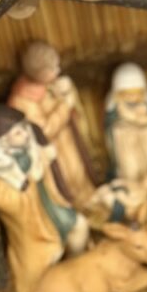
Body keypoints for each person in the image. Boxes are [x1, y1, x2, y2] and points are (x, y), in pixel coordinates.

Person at [0, 104, 89, 292]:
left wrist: (44, 158)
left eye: (23, 129)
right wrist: (22, 185)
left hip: (49, 206)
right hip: (32, 230)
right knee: (41, 264)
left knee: (79, 226)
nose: (25, 135)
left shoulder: (32, 149)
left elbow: (45, 169)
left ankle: (76, 268)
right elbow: (4, 202)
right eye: (18, 133)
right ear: (4, 140)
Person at [8, 40, 98, 209]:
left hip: (67, 139)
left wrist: (67, 91)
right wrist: (65, 104)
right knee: (65, 179)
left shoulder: (48, 84)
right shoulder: (23, 100)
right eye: (52, 69)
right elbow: (44, 132)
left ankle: (89, 200)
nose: (57, 71)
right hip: (51, 151)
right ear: (37, 72)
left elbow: (66, 104)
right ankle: (76, 208)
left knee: (79, 171)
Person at [104, 63, 147, 196]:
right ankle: (135, 186)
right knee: (130, 163)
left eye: (136, 93)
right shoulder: (114, 105)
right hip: (126, 137)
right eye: (127, 94)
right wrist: (129, 120)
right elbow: (110, 123)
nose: (132, 98)